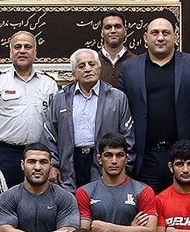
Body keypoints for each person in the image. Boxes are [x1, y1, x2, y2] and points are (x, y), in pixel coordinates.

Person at [119, 15, 190, 192]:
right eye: (155, 33)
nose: (160, 37)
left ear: (175, 37)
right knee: (148, 205)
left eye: (166, 33)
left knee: (183, 205)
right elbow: (121, 113)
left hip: (183, 156)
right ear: (145, 38)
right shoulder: (129, 68)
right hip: (145, 156)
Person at [0, 31, 59, 187]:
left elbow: (56, 125)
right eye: (17, 47)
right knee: (4, 197)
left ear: (35, 53)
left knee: (38, 197)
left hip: (39, 154)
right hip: (4, 155)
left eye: (27, 47)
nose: (22, 51)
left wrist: (54, 159)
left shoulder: (49, 83)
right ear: (10, 52)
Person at [43, 49, 135, 190]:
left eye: (92, 64)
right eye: (81, 66)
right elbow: (49, 135)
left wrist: (124, 167)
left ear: (99, 68)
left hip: (105, 163)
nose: (87, 69)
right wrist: (53, 165)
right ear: (73, 73)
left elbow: (128, 135)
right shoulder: (60, 99)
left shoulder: (117, 98)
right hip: (70, 164)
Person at [76, 132, 157, 232]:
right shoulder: (85, 192)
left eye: (119, 155)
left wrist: (106, 228)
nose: (114, 161)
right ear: (99, 158)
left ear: (127, 158)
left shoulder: (143, 191)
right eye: (108, 155)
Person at [96, 10, 135, 86]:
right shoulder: (93, 62)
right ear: (102, 33)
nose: (113, 31)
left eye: (117, 27)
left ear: (125, 31)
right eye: (108, 27)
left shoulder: (137, 62)